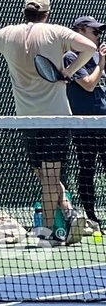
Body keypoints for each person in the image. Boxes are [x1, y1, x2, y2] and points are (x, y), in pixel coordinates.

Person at [0, 0, 98, 243]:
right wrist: (69, 71)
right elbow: (90, 47)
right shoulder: (56, 32)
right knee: (48, 177)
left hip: (27, 120)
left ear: (25, 11)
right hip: (56, 120)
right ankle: (58, 224)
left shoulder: (8, 34)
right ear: (47, 13)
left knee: (45, 177)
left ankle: (54, 226)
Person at [64, 16, 106, 228]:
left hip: (103, 122)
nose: (99, 36)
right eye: (95, 32)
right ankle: (91, 215)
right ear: (81, 31)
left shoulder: (98, 58)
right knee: (87, 168)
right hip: (85, 124)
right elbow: (88, 85)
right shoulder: (71, 56)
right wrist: (102, 62)